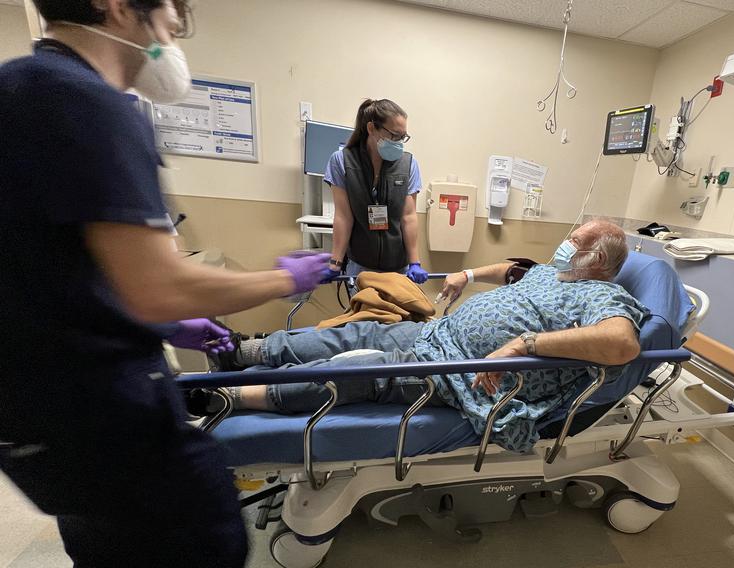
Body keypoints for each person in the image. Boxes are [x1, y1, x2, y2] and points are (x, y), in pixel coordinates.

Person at [0, 1, 328, 566]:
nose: (172, 47)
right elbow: (157, 285)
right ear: (119, 7)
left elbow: (55, 265)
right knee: (207, 536)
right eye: (171, 30)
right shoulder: (89, 103)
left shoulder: (17, 87)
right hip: (107, 420)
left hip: (42, 423)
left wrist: (168, 323)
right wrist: (281, 279)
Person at [221, 220, 648, 453]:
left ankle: (232, 397)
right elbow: (508, 270)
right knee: (356, 333)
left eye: (573, 240)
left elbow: (622, 343)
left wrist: (524, 344)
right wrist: (467, 274)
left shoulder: (602, 294)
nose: (563, 243)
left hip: (460, 375)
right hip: (435, 333)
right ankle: (240, 351)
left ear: (593, 258)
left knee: (360, 372)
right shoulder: (550, 272)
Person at [323, 98, 428, 284]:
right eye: (394, 135)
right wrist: (335, 262)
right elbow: (343, 216)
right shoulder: (342, 161)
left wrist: (415, 263)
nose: (399, 142)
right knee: (364, 313)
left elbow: (409, 216)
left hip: (398, 266)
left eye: (403, 137)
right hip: (361, 265)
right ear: (371, 129)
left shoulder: (408, 164)